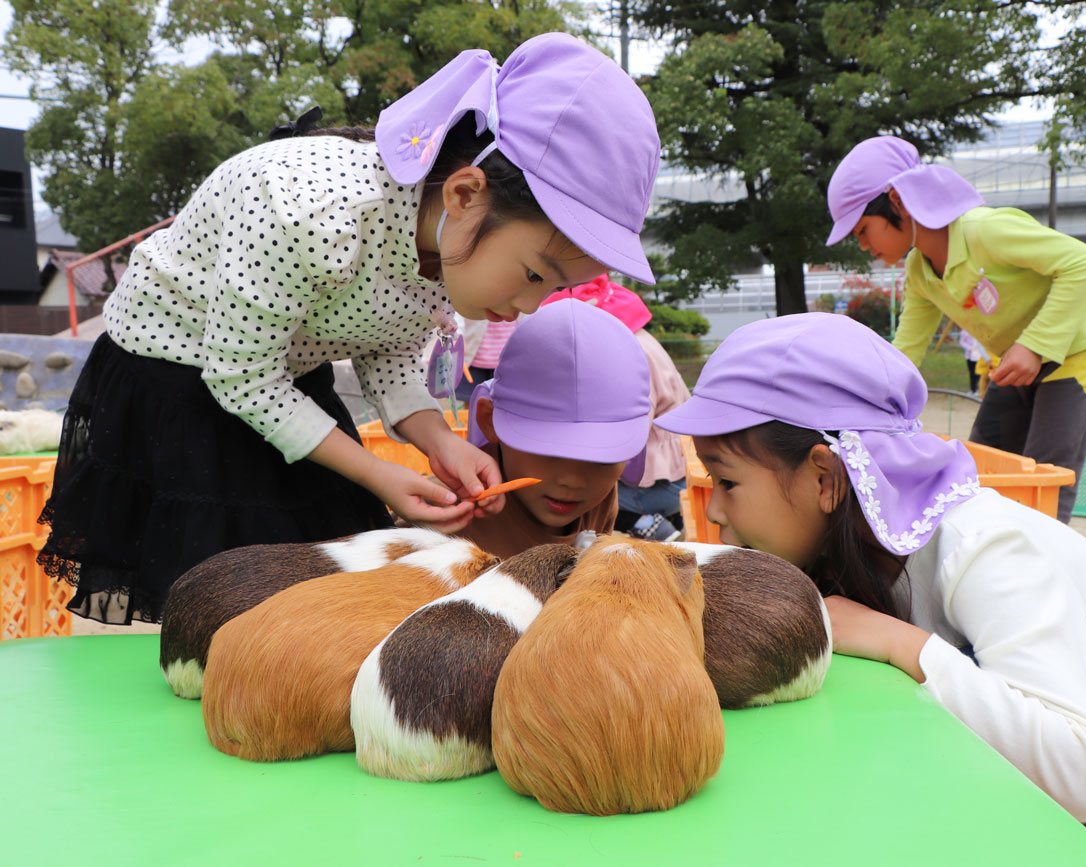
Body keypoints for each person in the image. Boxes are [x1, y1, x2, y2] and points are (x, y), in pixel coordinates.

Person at [35, 32, 661, 624]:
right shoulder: (306, 209)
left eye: (556, 289)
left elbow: (388, 352)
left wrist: (440, 444)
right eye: (534, 274)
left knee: (314, 591)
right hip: (178, 382)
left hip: (287, 380)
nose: (532, 306)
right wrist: (377, 472)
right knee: (214, 597)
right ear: (467, 194)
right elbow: (240, 377)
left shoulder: (445, 241)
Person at [655, 313, 1086, 830]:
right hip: (1061, 714)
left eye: (726, 481)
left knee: (889, 659)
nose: (714, 509)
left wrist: (898, 641)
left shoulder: (983, 543)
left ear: (825, 477)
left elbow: (1082, 771)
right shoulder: (844, 537)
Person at [826, 136, 1086, 522]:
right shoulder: (919, 272)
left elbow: (1082, 262)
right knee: (978, 468)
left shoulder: (984, 230)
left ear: (897, 201)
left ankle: (1041, 570)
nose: (864, 245)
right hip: (1018, 356)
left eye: (862, 230)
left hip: (1079, 346)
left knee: (1047, 474)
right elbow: (904, 355)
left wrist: (1034, 347)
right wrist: (857, 408)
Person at [459, 298, 650, 558]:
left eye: (601, 458)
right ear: (489, 421)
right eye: (548, 451)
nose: (571, 480)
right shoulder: (450, 511)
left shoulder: (601, 499)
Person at [541, 274, 690, 542]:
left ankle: (645, 522)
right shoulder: (639, 339)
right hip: (676, 473)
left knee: (573, 495)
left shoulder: (627, 357)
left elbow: (629, 439)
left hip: (656, 483)